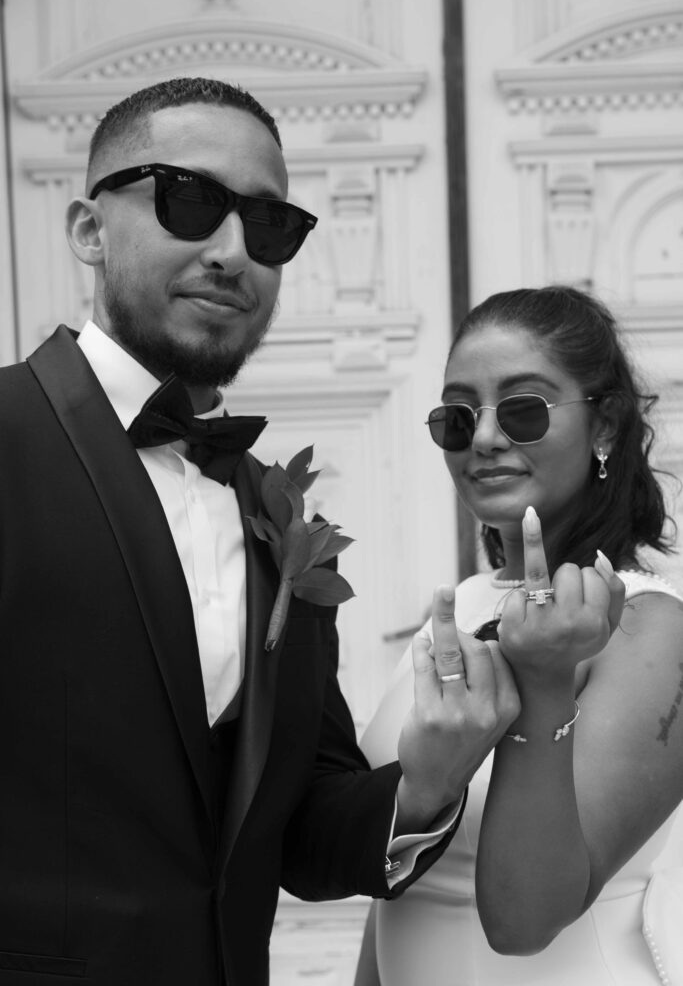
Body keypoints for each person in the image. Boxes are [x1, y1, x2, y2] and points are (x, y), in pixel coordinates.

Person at [0, 77, 521, 986]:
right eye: (189, 200)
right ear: (89, 228)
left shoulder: (280, 520)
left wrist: (432, 780)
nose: (234, 252)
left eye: (270, 225)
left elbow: (303, 834)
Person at [355, 285, 683, 986]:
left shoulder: (648, 629)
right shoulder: (458, 608)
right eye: (456, 416)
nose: (481, 438)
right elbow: (395, 884)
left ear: (604, 426)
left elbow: (523, 921)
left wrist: (541, 682)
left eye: (523, 410)